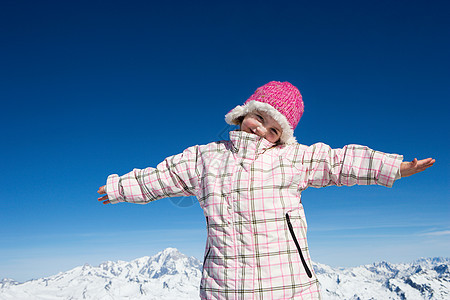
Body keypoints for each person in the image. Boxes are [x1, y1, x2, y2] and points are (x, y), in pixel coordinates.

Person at [97, 81, 434, 299]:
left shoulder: (293, 157)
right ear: (244, 112)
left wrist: (396, 167)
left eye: (274, 129)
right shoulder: (206, 158)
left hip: (288, 283)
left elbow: (338, 162)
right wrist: (119, 187)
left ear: (282, 136)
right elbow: (162, 176)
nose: (262, 131)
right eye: (259, 118)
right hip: (227, 286)